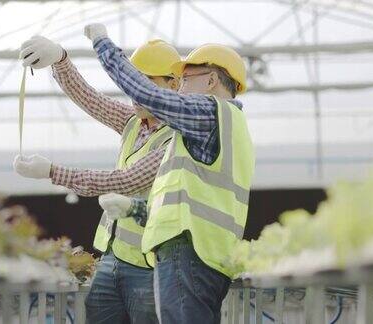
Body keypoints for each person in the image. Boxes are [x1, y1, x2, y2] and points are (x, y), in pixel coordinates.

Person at [84, 23, 256, 324]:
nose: (180, 86)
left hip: (189, 255)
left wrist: (102, 44)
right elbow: (192, 200)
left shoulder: (207, 113)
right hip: (207, 258)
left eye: (186, 79)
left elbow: (148, 94)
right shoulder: (230, 127)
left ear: (213, 80)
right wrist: (135, 208)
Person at [14, 35, 181, 324]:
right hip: (112, 258)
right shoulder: (134, 122)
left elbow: (127, 181)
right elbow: (92, 100)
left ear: (173, 84)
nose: (137, 93)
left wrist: (53, 172)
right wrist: (60, 59)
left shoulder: (177, 138)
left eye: (148, 83)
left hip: (148, 265)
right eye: (133, 83)